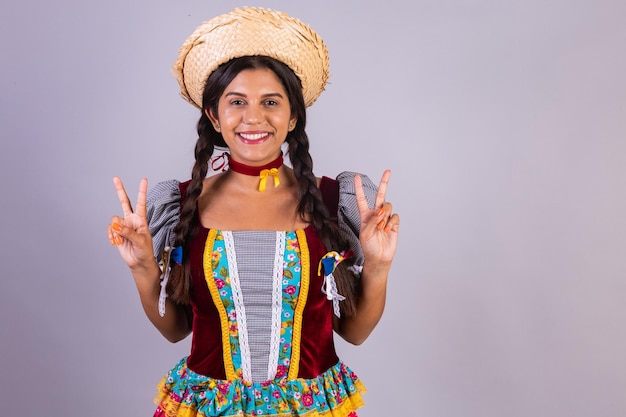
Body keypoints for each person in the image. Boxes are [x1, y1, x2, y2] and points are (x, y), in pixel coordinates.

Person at [107, 7, 400, 417]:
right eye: (237, 102)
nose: (253, 118)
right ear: (214, 115)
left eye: (271, 102)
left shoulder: (336, 201)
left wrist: (380, 265)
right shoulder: (181, 204)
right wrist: (142, 269)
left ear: (293, 115)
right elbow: (176, 331)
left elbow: (354, 332)